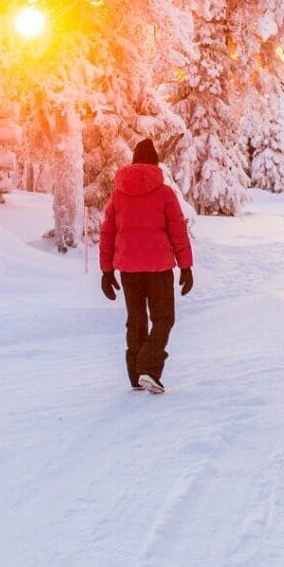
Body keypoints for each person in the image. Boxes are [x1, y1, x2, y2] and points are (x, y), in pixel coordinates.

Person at [99, 138, 193, 394]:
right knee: (164, 318)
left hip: (128, 269)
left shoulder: (118, 194)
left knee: (136, 320)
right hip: (159, 269)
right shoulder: (164, 193)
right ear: (154, 162)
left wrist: (106, 271)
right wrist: (186, 267)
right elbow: (178, 231)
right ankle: (149, 369)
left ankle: (135, 374)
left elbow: (107, 233)